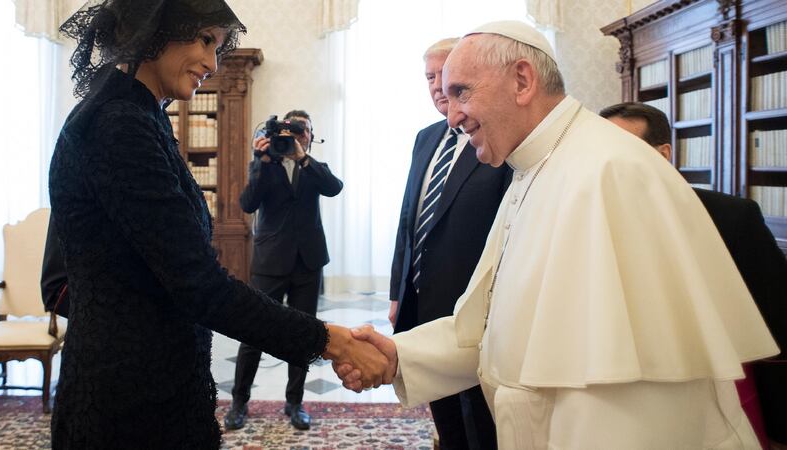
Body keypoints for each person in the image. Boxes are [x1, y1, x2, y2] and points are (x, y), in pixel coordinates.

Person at [335, 21, 779, 449]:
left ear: (522, 80)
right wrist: (398, 356)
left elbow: (624, 398)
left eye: (461, 92)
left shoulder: (609, 172)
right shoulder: (531, 168)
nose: (451, 116)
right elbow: (498, 328)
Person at [49, 1, 385, 448]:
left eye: (219, 46)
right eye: (205, 39)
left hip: (153, 374)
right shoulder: (118, 124)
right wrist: (331, 340)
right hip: (128, 394)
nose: (211, 62)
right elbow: (200, 286)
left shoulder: (138, 114)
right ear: (157, 27)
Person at [599, 101, 787, 449]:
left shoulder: (732, 217)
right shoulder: (593, 220)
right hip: (630, 394)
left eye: (620, 148)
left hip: (721, 386)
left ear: (662, 154)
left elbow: (775, 313)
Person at [388, 37, 507, 449]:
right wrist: (397, 294)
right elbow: (410, 219)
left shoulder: (498, 138)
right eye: (429, 77)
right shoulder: (425, 137)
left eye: (446, 76)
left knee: (480, 420)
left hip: (473, 312)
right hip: (421, 303)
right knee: (444, 415)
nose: (438, 85)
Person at [224, 110, 343, 431]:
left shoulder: (314, 168)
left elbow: (334, 187)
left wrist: (303, 158)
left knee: (303, 337)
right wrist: (261, 161)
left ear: (310, 135)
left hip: (308, 262)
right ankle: (238, 402)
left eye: (303, 130)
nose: (297, 135)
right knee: (253, 333)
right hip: (270, 263)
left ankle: (295, 403)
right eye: (291, 129)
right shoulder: (265, 163)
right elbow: (248, 204)